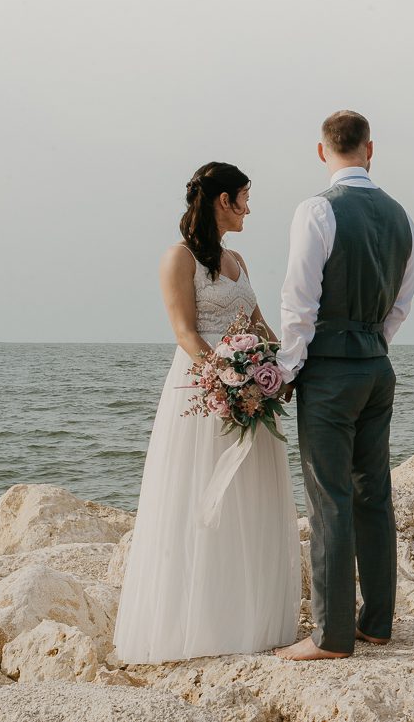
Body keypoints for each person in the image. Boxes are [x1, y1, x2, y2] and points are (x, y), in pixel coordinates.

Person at [114, 162, 301, 664]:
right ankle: (195, 624)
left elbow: (259, 324)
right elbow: (185, 331)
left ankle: (251, 617)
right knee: (197, 495)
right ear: (224, 201)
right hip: (205, 390)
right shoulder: (179, 258)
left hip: (251, 390)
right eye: (244, 197)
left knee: (251, 498)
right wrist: (226, 381)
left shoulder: (238, 258)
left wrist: (280, 369)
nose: (248, 207)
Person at [273, 111, 414, 660]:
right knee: (373, 494)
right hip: (377, 365)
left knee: (329, 497)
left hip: (330, 369)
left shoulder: (317, 210)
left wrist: (287, 370)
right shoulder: (403, 217)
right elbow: (401, 304)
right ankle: (377, 621)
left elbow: (298, 300)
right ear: (370, 150)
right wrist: (371, 342)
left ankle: (331, 636)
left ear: (321, 151)